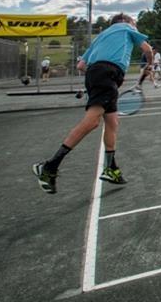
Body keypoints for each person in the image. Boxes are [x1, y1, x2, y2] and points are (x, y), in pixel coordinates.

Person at [32, 13, 153, 194]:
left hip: (99, 75)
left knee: (112, 123)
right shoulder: (126, 27)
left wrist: (96, 74)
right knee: (92, 122)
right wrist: (149, 65)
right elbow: (147, 49)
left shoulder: (99, 38)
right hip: (108, 75)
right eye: (134, 23)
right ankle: (49, 166)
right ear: (127, 22)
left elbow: (81, 65)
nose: (135, 27)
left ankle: (110, 168)